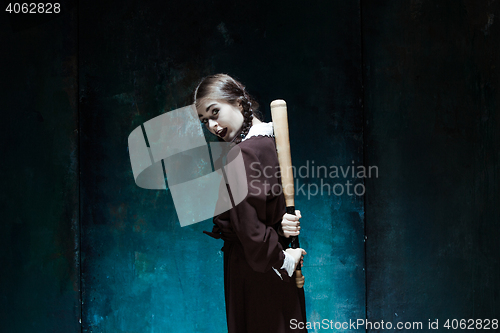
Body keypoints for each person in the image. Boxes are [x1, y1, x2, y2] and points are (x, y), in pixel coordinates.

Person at [194, 74, 308, 333]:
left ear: (238, 101)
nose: (212, 125)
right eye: (205, 121)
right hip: (275, 262)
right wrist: (280, 228)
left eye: (215, 112)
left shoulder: (240, 153)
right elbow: (262, 213)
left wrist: (282, 259)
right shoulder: (269, 144)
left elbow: (248, 227)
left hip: (256, 269)